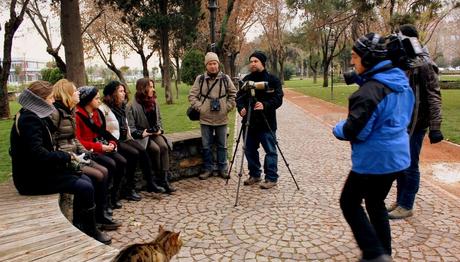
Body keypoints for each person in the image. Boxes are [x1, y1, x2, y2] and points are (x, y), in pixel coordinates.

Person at [333, 33, 414, 262]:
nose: (352, 62)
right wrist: (364, 80)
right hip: (398, 159)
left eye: (354, 57)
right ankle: (384, 253)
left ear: (367, 59)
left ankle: (374, 254)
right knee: (375, 202)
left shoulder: (368, 93)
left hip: (374, 161)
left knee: (348, 202)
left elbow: (354, 130)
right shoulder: (401, 83)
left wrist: (337, 127)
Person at [10, 80, 111, 244]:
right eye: (50, 98)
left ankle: (82, 225)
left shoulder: (33, 115)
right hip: (31, 179)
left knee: (85, 179)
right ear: (39, 100)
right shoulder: (29, 119)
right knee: (85, 185)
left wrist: (68, 158)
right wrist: (67, 157)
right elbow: (37, 154)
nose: (52, 101)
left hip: (40, 171)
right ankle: (90, 229)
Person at [388, 24, 444, 219]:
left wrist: (435, 127)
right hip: (402, 123)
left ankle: (407, 204)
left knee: (410, 164)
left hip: (417, 124)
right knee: (400, 163)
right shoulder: (405, 62)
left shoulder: (425, 64)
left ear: (411, 40)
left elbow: (434, 95)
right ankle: (400, 200)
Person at [51, 79, 120, 230]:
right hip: (68, 159)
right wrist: (79, 155)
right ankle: (90, 220)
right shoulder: (59, 114)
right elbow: (55, 143)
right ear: (67, 94)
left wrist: (86, 152)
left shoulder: (69, 111)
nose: (78, 93)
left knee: (105, 170)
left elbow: (74, 139)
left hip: (78, 154)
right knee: (98, 174)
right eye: (75, 91)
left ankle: (100, 214)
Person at [101, 80, 165, 196]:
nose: (124, 93)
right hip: (115, 140)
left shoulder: (121, 106)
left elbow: (126, 125)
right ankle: (129, 188)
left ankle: (150, 183)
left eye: (124, 91)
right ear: (113, 93)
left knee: (142, 150)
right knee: (134, 153)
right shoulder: (104, 109)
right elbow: (104, 129)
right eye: (120, 91)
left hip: (125, 138)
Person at [75, 86, 128, 211]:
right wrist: (100, 147)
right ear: (88, 100)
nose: (99, 101)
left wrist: (112, 143)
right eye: (96, 98)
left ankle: (114, 195)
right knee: (110, 164)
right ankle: (105, 201)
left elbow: (103, 132)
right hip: (91, 151)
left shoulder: (97, 113)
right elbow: (80, 141)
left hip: (102, 146)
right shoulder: (78, 116)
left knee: (122, 161)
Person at [236, 51, 283, 189]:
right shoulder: (245, 80)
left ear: (263, 62)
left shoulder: (273, 80)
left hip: (266, 122)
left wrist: (265, 105)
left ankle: (271, 178)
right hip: (249, 122)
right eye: (251, 61)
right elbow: (239, 97)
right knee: (249, 150)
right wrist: (241, 108)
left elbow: (278, 98)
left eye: (255, 61)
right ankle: (255, 175)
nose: (252, 64)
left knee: (270, 150)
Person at [188, 52, 237, 180]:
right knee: (206, 146)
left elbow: (233, 94)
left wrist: (227, 107)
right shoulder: (200, 79)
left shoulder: (226, 79)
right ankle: (208, 168)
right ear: (206, 65)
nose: (213, 66)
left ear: (218, 64)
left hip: (222, 118)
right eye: (210, 64)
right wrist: (201, 108)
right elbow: (192, 96)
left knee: (223, 145)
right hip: (205, 119)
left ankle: (223, 168)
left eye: (214, 63)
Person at [126, 78, 176, 194]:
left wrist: (160, 130)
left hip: (154, 133)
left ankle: (164, 180)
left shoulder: (154, 101)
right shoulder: (131, 105)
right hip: (142, 136)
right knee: (155, 149)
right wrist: (142, 133)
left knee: (164, 146)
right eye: (150, 87)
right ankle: (157, 179)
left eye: (153, 86)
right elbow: (131, 128)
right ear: (143, 89)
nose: (153, 89)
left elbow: (159, 119)